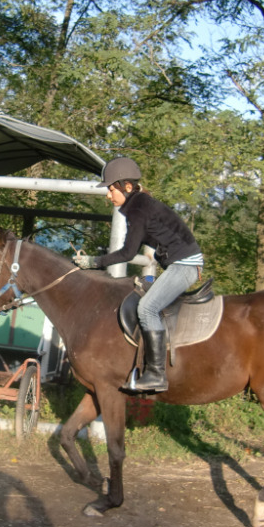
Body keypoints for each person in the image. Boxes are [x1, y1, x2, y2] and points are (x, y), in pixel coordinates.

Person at [73, 156, 204, 393]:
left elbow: (127, 252)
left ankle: (156, 374)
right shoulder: (140, 205)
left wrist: (94, 262)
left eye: (111, 190)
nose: (108, 195)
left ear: (127, 187)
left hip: (184, 266)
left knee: (147, 309)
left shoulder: (138, 210)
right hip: (181, 263)